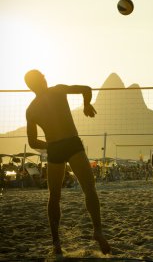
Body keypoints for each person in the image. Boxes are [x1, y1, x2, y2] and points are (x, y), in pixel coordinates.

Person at [24, 70, 110, 255]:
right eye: (43, 78)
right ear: (41, 80)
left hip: (56, 147)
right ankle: (98, 231)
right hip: (72, 143)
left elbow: (32, 142)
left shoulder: (31, 109)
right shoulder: (57, 90)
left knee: (54, 196)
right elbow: (86, 89)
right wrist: (86, 104)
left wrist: (51, 145)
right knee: (89, 188)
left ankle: (56, 242)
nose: (45, 80)